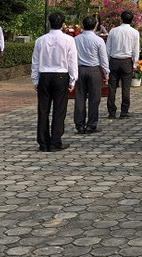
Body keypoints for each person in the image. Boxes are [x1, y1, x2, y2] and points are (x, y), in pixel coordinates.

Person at [31, 12, 78, 152]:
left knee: (43, 110)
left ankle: (43, 142)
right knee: (59, 109)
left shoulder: (40, 40)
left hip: (44, 75)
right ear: (63, 25)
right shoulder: (69, 40)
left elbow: (35, 61)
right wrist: (73, 79)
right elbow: (72, 61)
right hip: (61, 76)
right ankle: (55, 141)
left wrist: (35, 79)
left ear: (49, 23)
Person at [73, 15, 109, 134]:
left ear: (83, 26)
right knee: (94, 98)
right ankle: (91, 124)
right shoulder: (98, 40)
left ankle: (79, 124)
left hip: (80, 69)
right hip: (94, 70)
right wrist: (106, 72)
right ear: (95, 26)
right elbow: (103, 58)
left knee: (80, 98)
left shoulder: (76, 39)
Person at [105, 10, 140, 120]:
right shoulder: (134, 32)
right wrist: (135, 64)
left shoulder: (113, 31)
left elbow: (108, 49)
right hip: (126, 61)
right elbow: (136, 50)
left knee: (112, 87)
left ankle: (111, 111)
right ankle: (124, 111)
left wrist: (107, 63)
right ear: (132, 20)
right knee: (126, 87)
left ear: (121, 19)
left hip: (114, 60)